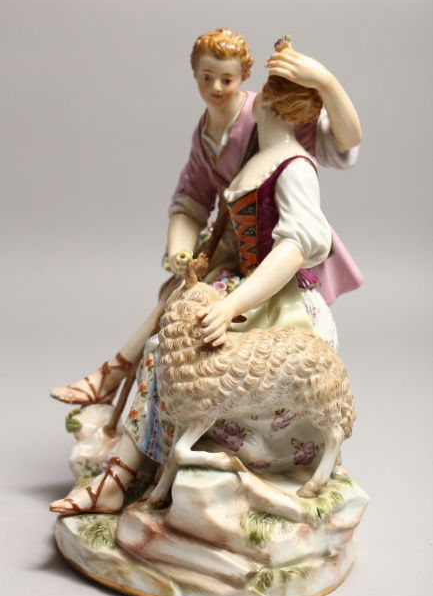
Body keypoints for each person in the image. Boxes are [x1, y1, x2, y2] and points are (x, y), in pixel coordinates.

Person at [50, 31, 362, 515]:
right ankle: (131, 448)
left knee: (173, 348)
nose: (221, 90)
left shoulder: (293, 161)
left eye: (231, 81)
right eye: (207, 77)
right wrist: (185, 256)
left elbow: (299, 237)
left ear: (262, 99)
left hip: (271, 294)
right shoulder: (230, 141)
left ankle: (122, 466)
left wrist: (232, 303)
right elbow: (193, 198)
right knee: (172, 319)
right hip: (237, 271)